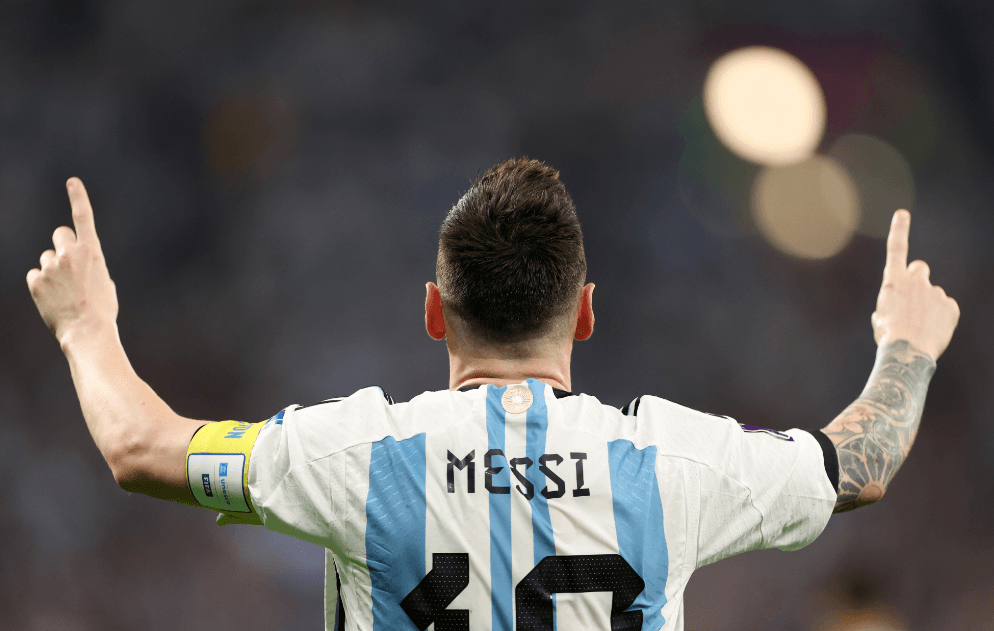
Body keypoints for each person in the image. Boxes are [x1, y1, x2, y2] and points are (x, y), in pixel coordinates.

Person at [26, 159, 959, 630]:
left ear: (435, 312)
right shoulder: (674, 465)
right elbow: (860, 462)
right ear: (585, 313)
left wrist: (85, 324)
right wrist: (907, 347)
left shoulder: (359, 456)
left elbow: (138, 445)